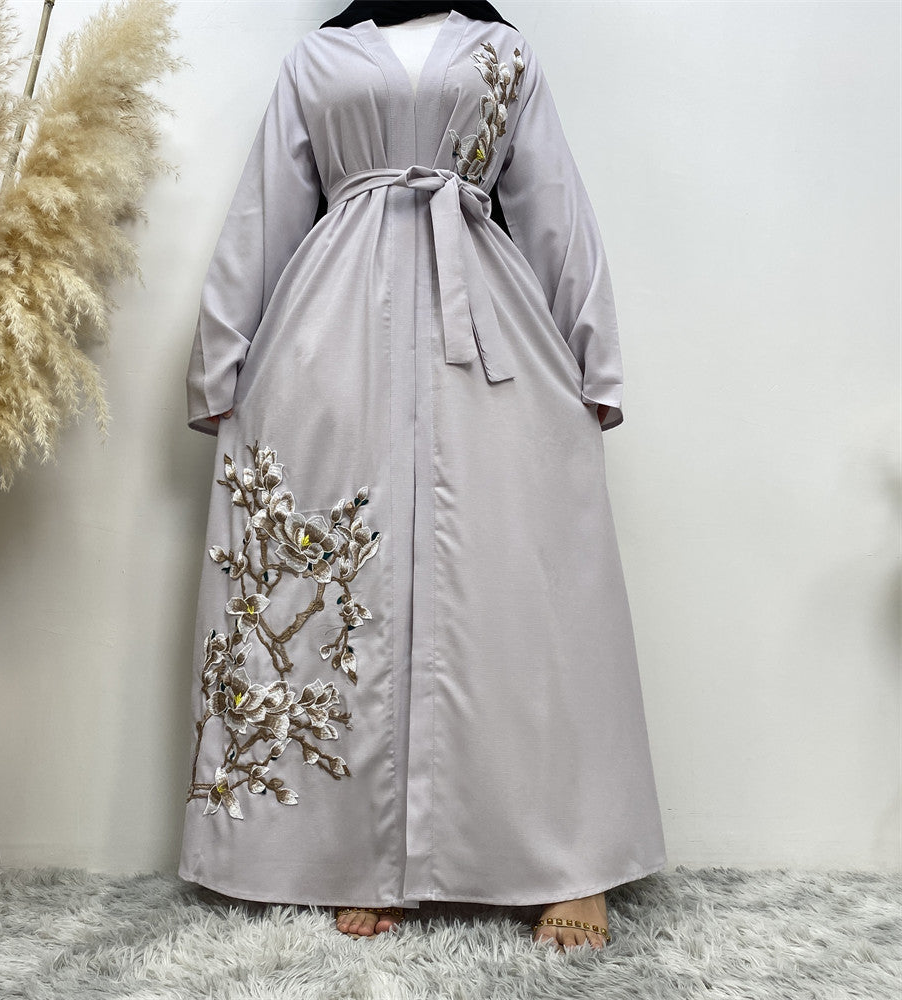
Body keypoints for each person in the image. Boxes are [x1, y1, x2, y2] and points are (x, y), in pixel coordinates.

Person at [183, 0, 667, 953]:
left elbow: (554, 205)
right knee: (342, 593)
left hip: (484, 327)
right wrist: (220, 361)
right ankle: (366, 856)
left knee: (520, 593)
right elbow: (263, 211)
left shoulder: (505, 53)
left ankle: (569, 859)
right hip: (331, 329)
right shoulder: (317, 58)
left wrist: (594, 359)